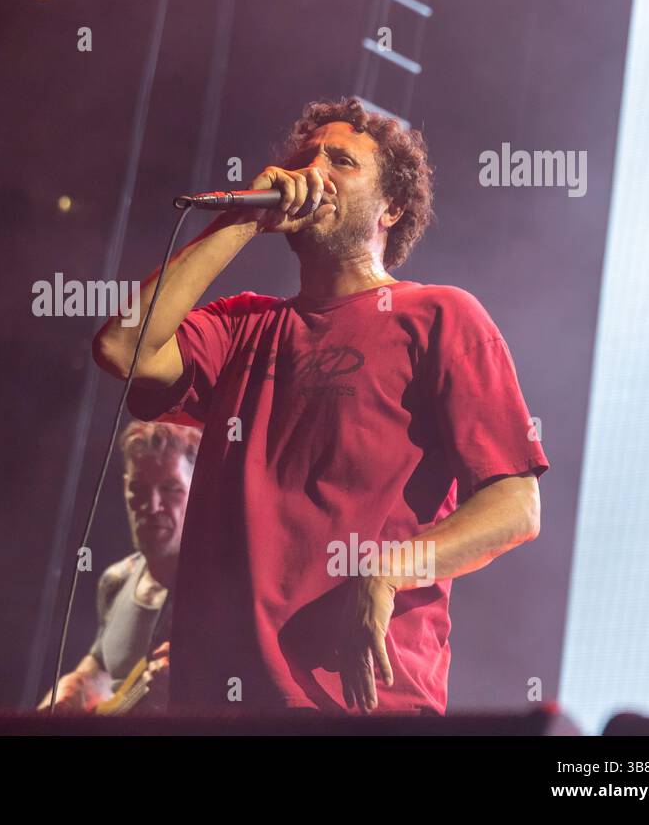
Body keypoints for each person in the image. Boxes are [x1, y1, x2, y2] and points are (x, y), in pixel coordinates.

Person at [91, 97, 549, 715]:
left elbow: (515, 505)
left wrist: (388, 570)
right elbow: (123, 348)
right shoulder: (242, 326)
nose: (313, 172)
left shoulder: (439, 316)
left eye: (341, 161)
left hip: (360, 704)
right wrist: (241, 220)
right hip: (215, 706)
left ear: (391, 208)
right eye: (306, 158)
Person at [38, 418, 201, 713]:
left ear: (198, 491)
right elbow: (102, 667)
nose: (152, 506)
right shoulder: (116, 579)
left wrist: (187, 692)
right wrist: (74, 688)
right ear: (125, 487)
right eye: (138, 489)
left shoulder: (214, 591)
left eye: (170, 489)